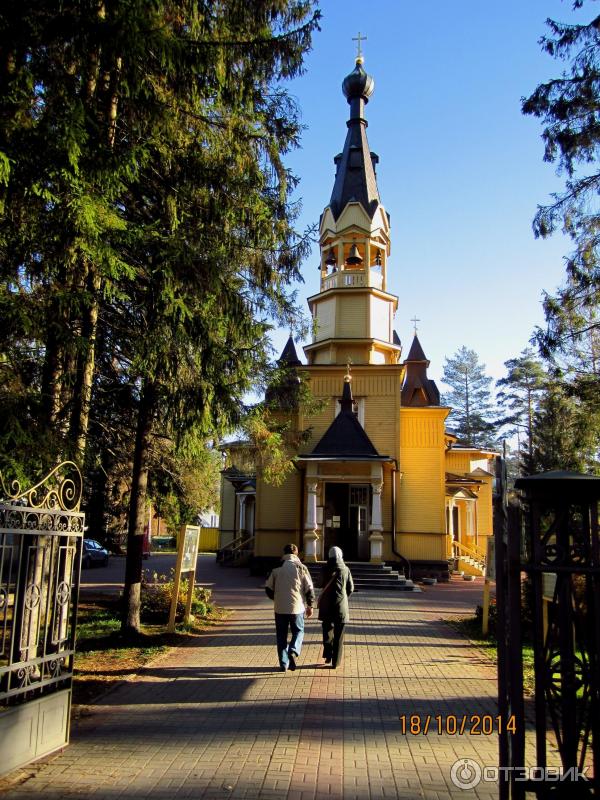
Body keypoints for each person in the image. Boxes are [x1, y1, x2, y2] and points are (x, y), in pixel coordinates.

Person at [265, 543, 315, 672]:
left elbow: (268, 588)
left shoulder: (276, 567)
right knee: (298, 631)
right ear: (296, 553)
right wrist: (310, 605)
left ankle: (283, 664)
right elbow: (309, 589)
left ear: (284, 553)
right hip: (297, 608)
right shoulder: (302, 568)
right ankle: (293, 650)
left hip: (280, 608)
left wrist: (276, 598)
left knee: (281, 636)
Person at [317, 546, 354, 669]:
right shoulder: (346, 569)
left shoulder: (324, 569)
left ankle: (328, 653)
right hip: (341, 606)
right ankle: (335, 662)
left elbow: (319, 583)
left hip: (326, 605)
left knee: (327, 631)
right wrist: (343, 597)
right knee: (339, 636)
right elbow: (351, 588)